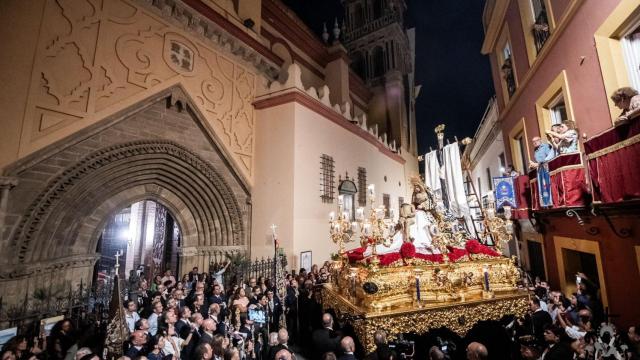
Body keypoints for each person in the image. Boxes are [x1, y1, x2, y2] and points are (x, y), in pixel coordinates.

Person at [530, 136, 554, 207]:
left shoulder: (545, 146)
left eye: (536, 141)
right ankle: (544, 202)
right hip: (540, 169)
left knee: (547, 184)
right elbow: (538, 160)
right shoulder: (536, 150)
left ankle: (549, 201)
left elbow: (549, 156)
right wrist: (533, 165)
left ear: (540, 140)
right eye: (533, 142)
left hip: (546, 168)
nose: (535, 143)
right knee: (542, 185)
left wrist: (538, 163)